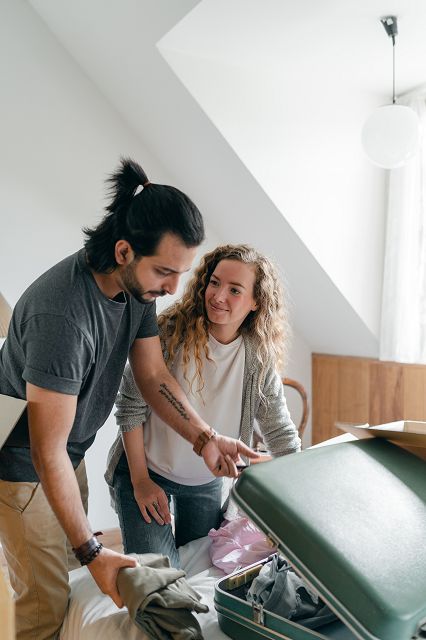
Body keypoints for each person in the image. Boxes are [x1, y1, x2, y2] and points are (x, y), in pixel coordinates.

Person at [0, 159, 257, 640]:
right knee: (45, 601)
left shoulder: (136, 288)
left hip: (64, 451)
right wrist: (94, 555)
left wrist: (205, 437)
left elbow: (154, 374)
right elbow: (44, 450)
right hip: (21, 462)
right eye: (164, 272)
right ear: (123, 251)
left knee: (64, 572)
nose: (173, 288)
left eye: (181, 273)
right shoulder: (63, 317)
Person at [106, 244, 301, 568]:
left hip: (204, 483)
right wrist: (140, 481)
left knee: (202, 568)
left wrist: (304, 492)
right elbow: (129, 409)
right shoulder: (168, 334)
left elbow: (280, 432)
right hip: (144, 471)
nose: (219, 296)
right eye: (215, 282)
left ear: (256, 302)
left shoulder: (258, 358)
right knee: (161, 576)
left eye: (235, 290)